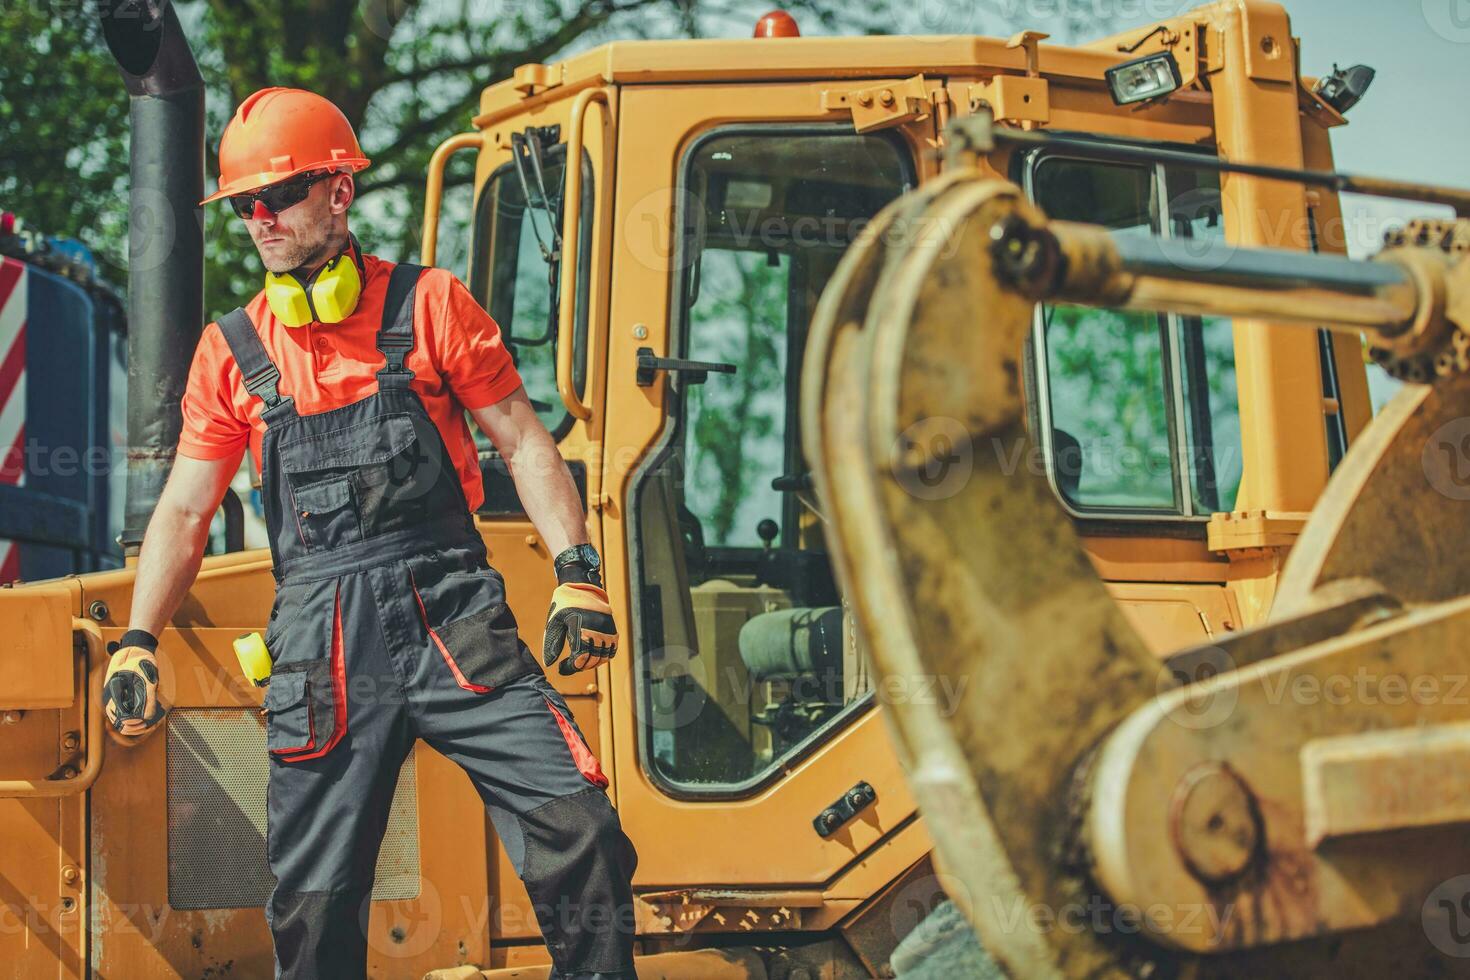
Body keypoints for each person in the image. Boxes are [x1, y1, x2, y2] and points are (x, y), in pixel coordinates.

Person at [99, 86, 638, 979]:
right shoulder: (231, 351)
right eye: (244, 206)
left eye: (278, 197)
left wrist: (577, 571)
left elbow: (525, 442)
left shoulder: (430, 304)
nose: (259, 220)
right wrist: (135, 640)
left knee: (580, 831)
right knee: (313, 910)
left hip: (454, 619)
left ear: (339, 194)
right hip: (320, 647)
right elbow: (188, 510)